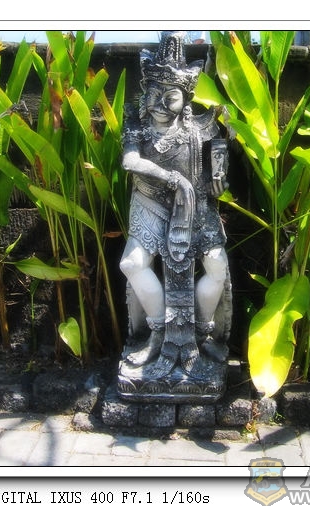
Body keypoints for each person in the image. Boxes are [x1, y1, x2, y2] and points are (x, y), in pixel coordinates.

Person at [119, 31, 231, 380]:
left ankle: (202, 332)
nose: (159, 105)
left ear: (186, 99)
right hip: (150, 201)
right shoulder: (136, 125)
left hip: (196, 205)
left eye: (170, 97)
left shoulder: (198, 128)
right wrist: (171, 179)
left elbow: (218, 152)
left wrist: (218, 177)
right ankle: (158, 332)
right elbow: (130, 162)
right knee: (131, 264)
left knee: (217, 266)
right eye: (153, 95)